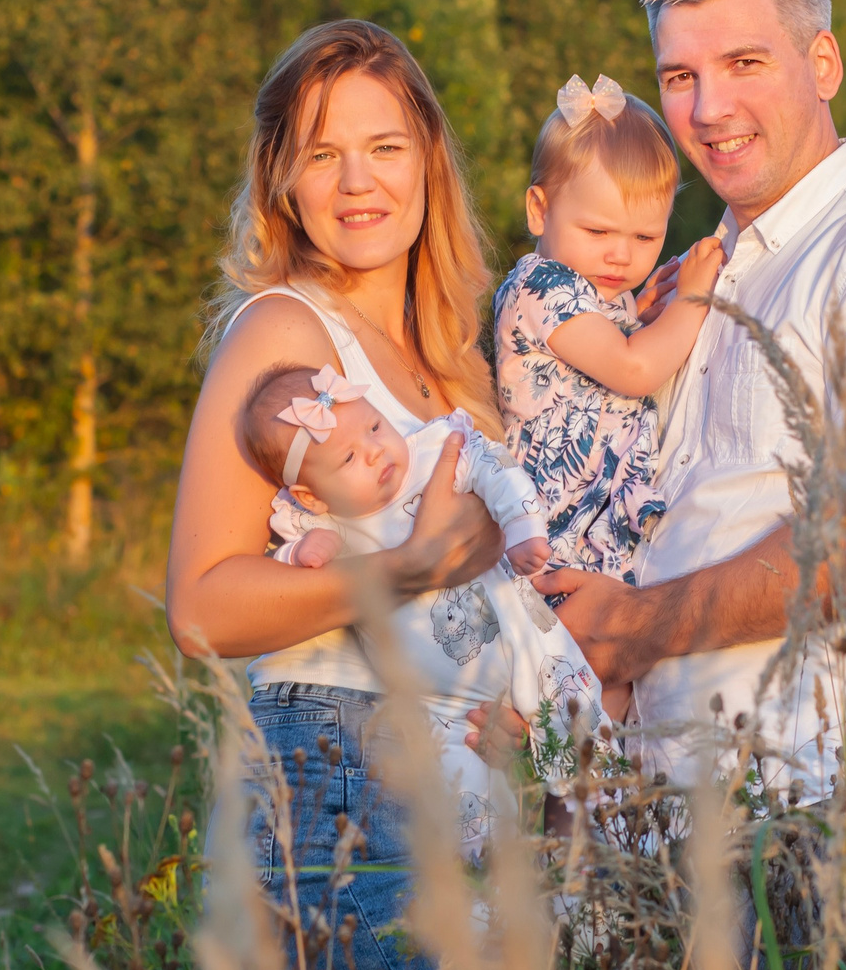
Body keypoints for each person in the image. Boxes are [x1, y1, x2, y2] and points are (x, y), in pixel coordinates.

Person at [503, 0, 846, 803]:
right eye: (679, 78)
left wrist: (631, 631)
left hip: (819, 809)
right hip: (666, 814)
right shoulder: (694, 275)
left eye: (744, 64)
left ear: (825, 64)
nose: (708, 109)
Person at [164, 18, 507, 970]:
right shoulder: (285, 334)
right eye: (322, 153)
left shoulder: (459, 359)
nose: (358, 181)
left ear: (428, 161)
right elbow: (203, 604)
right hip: (343, 767)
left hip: (468, 780)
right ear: (284, 183)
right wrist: (405, 568)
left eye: (385, 147)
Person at [242, 362, 605, 857]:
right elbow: (279, 571)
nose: (375, 451)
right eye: (349, 457)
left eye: (374, 426)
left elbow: (493, 467)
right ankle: (501, 891)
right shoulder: (320, 523)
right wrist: (299, 554)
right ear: (311, 494)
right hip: (440, 703)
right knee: (465, 802)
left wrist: (523, 528)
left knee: (576, 722)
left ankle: (608, 841)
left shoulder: (431, 452)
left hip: (520, 634)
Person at [490, 73, 725, 722]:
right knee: (578, 717)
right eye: (599, 232)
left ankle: (597, 822)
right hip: (558, 544)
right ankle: (576, 821)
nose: (622, 256)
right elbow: (632, 368)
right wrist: (694, 298)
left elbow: (621, 338)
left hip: (596, 541)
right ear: (539, 210)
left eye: (646, 239)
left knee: (602, 717)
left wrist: (644, 310)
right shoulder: (541, 287)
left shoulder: (593, 293)